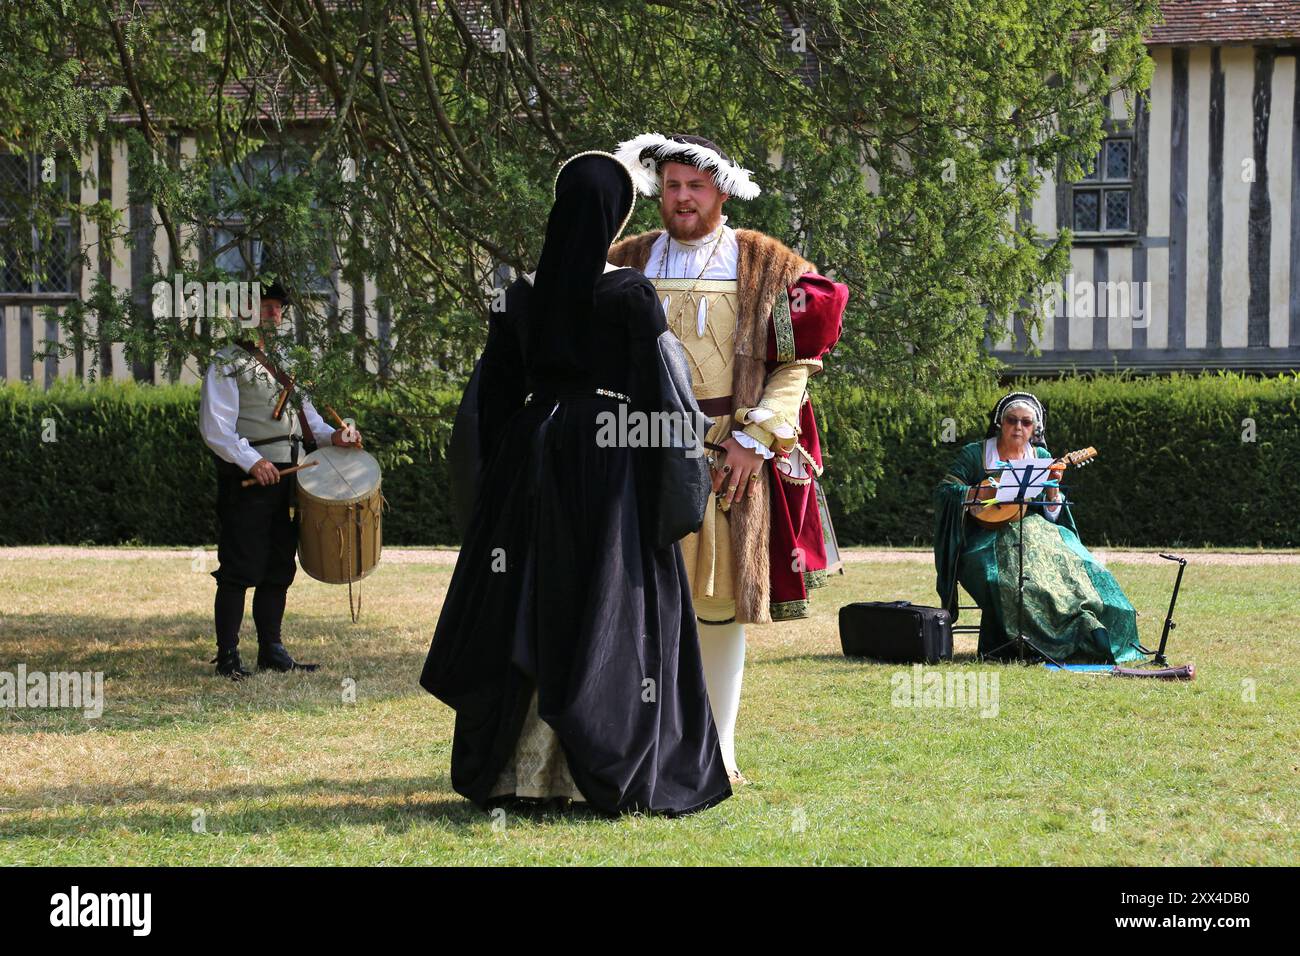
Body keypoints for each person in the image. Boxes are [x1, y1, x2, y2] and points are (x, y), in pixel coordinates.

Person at [420, 151, 732, 816]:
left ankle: (515, 774)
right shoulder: (626, 293)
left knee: (527, 596)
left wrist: (496, 490)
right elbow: (663, 396)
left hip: (531, 462)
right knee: (602, 604)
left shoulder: (518, 294)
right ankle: (596, 765)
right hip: (608, 464)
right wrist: (674, 487)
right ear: (615, 216)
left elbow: (489, 402)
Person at [609, 133, 849, 784]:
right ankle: (645, 746)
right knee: (639, 605)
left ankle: (718, 750)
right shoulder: (624, 259)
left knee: (716, 606)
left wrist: (754, 440)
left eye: (696, 186)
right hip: (636, 455)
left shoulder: (764, 263)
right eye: (674, 186)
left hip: (725, 458)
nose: (683, 198)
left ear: (721, 190)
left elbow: (798, 361)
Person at [199, 282, 362, 679]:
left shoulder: (289, 359)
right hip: (249, 482)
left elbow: (309, 423)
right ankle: (228, 656)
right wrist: (253, 462)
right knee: (239, 567)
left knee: (278, 565)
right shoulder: (226, 361)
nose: (272, 313)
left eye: (277, 307)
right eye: (263, 306)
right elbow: (216, 428)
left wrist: (334, 437)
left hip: (291, 479)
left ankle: (271, 649)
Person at [933, 391, 1143, 663]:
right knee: (1006, 581)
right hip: (984, 541)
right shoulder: (975, 454)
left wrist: (1053, 488)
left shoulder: (1041, 456)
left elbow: (1053, 514)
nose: (1018, 427)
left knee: (1082, 570)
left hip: (1038, 535)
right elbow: (944, 492)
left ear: (1035, 429)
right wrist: (979, 494)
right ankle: (1024, 644)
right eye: (1011, 420)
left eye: (1026, 423)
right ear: (1000, 422)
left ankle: (1088, 630)